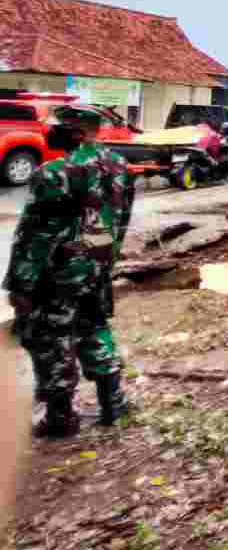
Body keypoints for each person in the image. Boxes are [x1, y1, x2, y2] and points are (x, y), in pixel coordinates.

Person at [5, 104, 135, 439]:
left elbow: (34, 235)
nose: (50, 130)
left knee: (52, 338)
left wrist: (20, 283)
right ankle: (114, 401)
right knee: (93, 327)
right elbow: (119, 224)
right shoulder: (118, 166)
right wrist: (103, 262)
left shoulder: (55, 172)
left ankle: (60, 417)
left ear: (76, 131)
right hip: (96, 266)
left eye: (57, 126)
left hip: (58, 271)